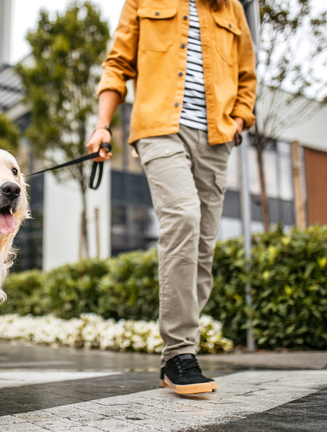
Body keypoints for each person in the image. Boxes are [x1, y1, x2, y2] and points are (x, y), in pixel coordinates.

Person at [87, 0, 257, 395]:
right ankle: (180, 353)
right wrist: (102, 125)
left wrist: (237, 121)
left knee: (202, 247)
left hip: (216, 139)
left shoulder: (231, 8)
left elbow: (247, 77)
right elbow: (117, 65)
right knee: (183, 219)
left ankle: (175, 356)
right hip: (159, 128)